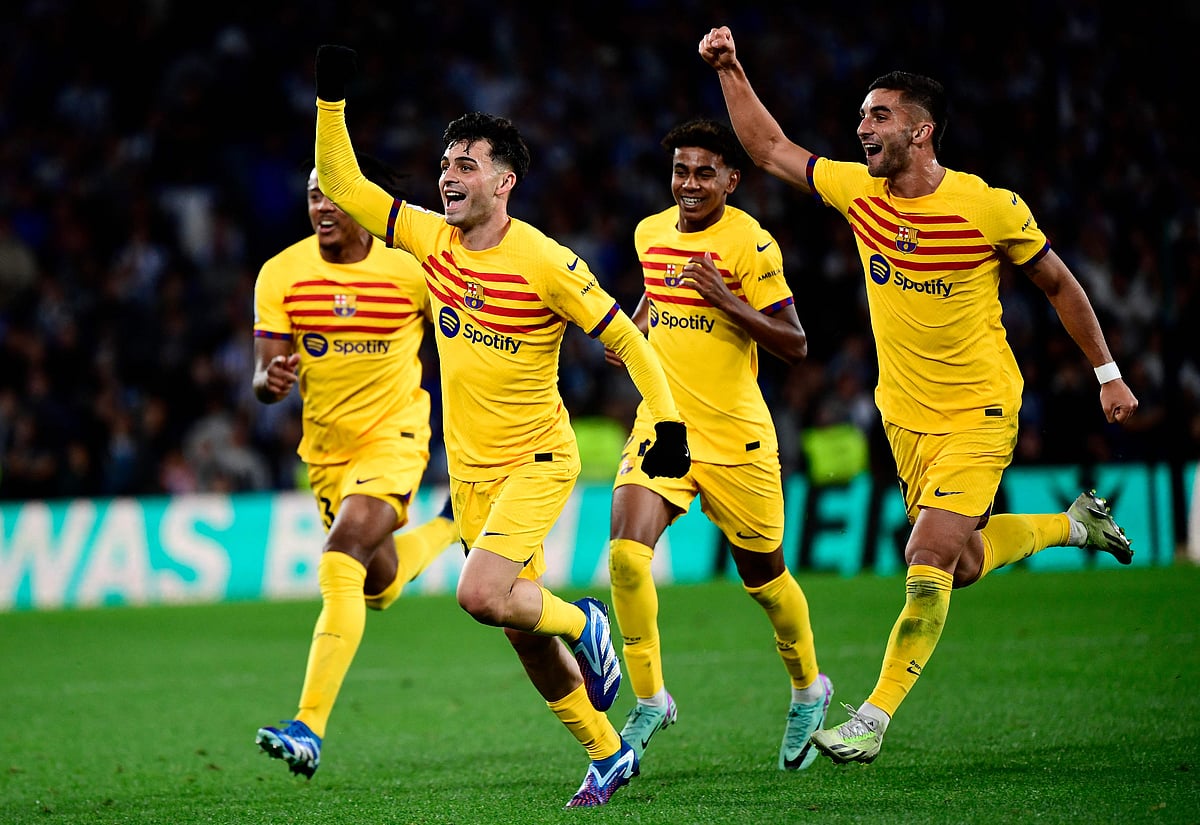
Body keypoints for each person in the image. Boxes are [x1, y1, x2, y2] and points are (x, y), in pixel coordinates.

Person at [699, 26, 1139, 765]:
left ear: (920, 130)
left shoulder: (988, 206)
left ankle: (871, 716)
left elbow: (1058, 284)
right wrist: (731, 69)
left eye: (878, 115)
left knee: (926, 554)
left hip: (980, 410)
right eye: (863, 115)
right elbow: (771, 148)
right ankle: (1074, 525)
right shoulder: (858, 192)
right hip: (905, 415)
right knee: (961, 562)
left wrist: (1107, 373)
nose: (861, 127)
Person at [312, 45, 692, 807]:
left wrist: (670, 422)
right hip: (472, 471)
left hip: (537, 459)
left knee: (482, 595)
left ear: (504, 181)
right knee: (522, 633)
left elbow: (625, 337)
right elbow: (349, 185)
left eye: (467, 163)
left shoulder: (545, 261)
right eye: (445, 161)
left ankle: (586, 621)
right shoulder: (427, 238)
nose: (448, 174)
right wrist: (330, 102)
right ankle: (608, 750)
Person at [603, 117, 831, 771]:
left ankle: (808, 688)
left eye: (705, 171)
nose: (690, 183)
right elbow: (655, 297)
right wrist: (634, 336)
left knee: (766, 580)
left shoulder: (751, 244)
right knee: (624, 553)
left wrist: (727, 301)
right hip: (665, 425)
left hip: (737, 437)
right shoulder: (651, 233)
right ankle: (650, 699)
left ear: (732, 178)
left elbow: (795, 343)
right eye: (681, 169)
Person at [252, 158, 459, 778]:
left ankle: (308, 726)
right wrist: (272, 379)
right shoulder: (282, 273)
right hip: (325, 454)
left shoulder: (408, 269)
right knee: (377, 582)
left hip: (395, 438)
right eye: (313, 196)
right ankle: (452, 527)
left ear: (361, 205)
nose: (321, 208)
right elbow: (261, 378)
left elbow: (462, 339)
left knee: (341, 558)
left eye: (334, 198)